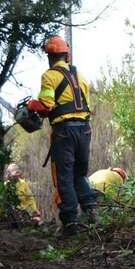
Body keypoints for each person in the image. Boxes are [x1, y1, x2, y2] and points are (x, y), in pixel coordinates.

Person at [26, 35, 97, 236]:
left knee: (64, 176)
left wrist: (31, 105)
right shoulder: (80, 76)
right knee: (79, 174)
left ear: (50, 57)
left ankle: (70, 223)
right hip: (84, 130)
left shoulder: (49, 76)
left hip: (65, 131)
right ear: (67, 56)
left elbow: (46, 106)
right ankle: (91, 212)